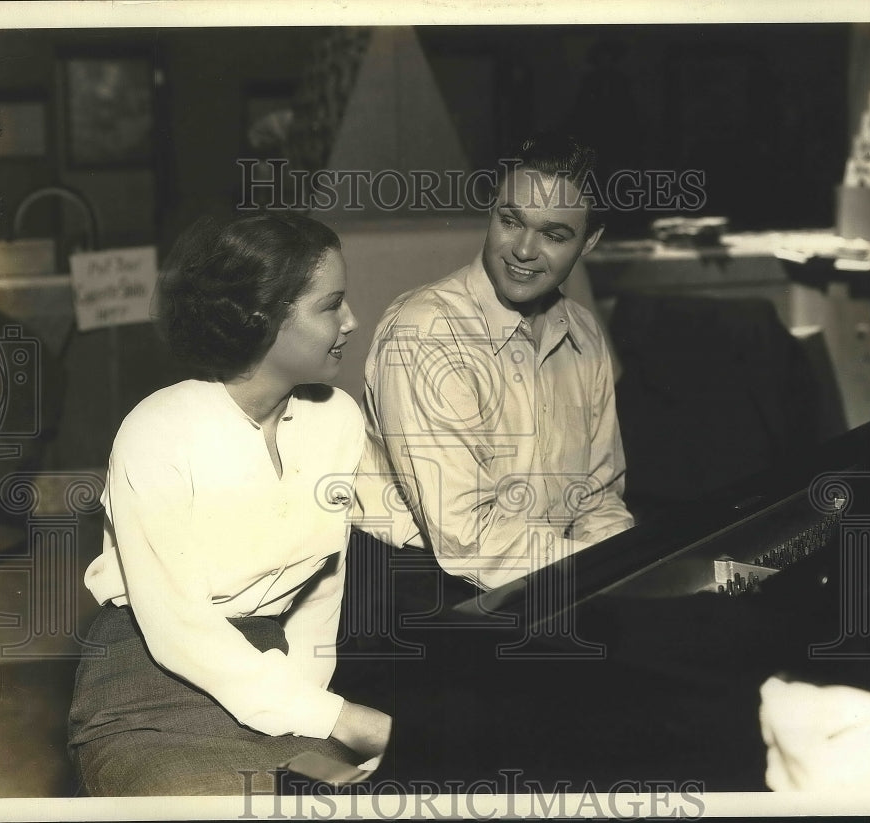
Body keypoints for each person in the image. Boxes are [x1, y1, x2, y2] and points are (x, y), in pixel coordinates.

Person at [67, 213, 391, 796]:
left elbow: (324, 589)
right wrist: (343, 719)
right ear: (261, 318)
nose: (351, 321)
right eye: (331, 305)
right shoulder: (157, 430)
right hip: (149, 692)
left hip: (277, 684)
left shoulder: (336, 418)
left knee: (347, 795)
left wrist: (313, 713)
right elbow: (179, 631)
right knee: (225, 805)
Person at [355, 134, 634, 594]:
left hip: (549, 577)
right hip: (420, 594)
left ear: (589, 242)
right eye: (511, 221)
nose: (523, 250)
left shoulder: (583, 332)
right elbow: (468, 538)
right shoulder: (426, 332)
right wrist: (614, 569)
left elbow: (598, 498)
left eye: (554, 235)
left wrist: (633, 567)